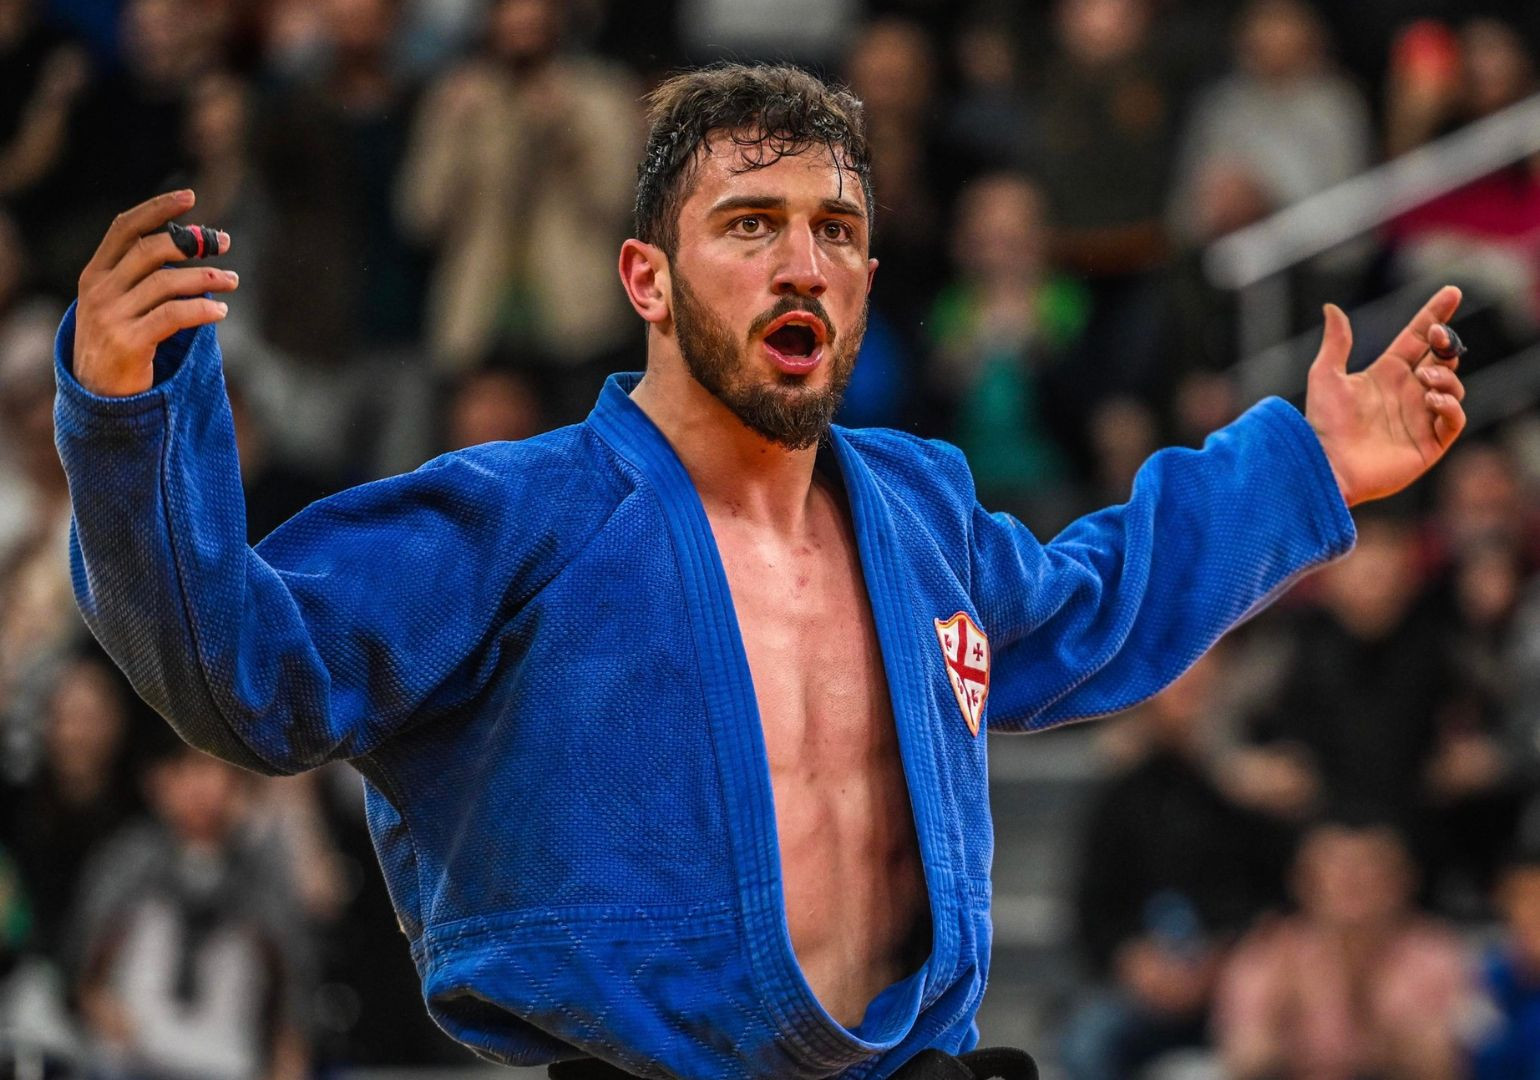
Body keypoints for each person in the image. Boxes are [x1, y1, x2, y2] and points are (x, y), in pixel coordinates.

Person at [54, 64, 1466, 1080]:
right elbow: (252, 678)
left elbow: (1098, 607)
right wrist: (127, 420)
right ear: (648, 279)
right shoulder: (523, 517)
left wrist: (1309, 468)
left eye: (834, 231)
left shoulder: (918, 512)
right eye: (750, 224)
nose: (803, 264)